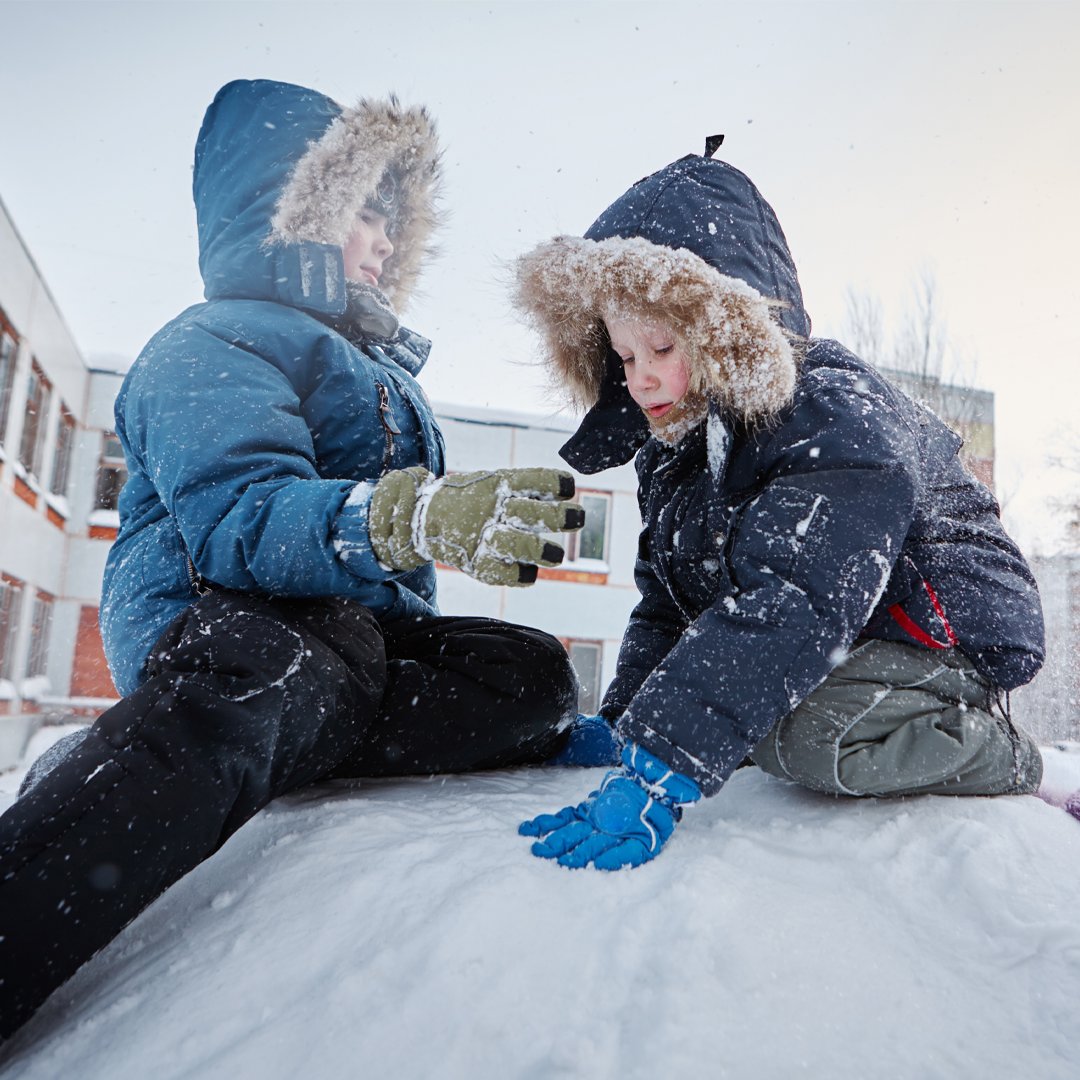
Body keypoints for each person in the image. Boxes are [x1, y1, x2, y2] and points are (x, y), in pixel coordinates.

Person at [0, 78, 585, 1038]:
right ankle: (116, 788)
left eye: (397, 222)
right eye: (365, 213)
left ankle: (279, 750)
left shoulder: (378, 371)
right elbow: (241, 516)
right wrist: (405, 519)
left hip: (352, 651)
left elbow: (397, 586)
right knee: (277, 668)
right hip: (232, 627)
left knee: (525, 672)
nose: (387, 242)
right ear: (296, 211)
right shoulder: (210, 343)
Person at [512, 143, 1046, 871]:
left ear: (723, 327)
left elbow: (796, 596)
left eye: (661, 347)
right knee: (764, 722)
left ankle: (1002, 751)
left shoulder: (830, 414)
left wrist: (658, 769)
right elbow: (670, 607)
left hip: (942, 631)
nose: (639, 379)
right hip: (846, 633)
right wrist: (627, 722)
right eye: (624, 358)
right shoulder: (679, 452)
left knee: (808, 737)